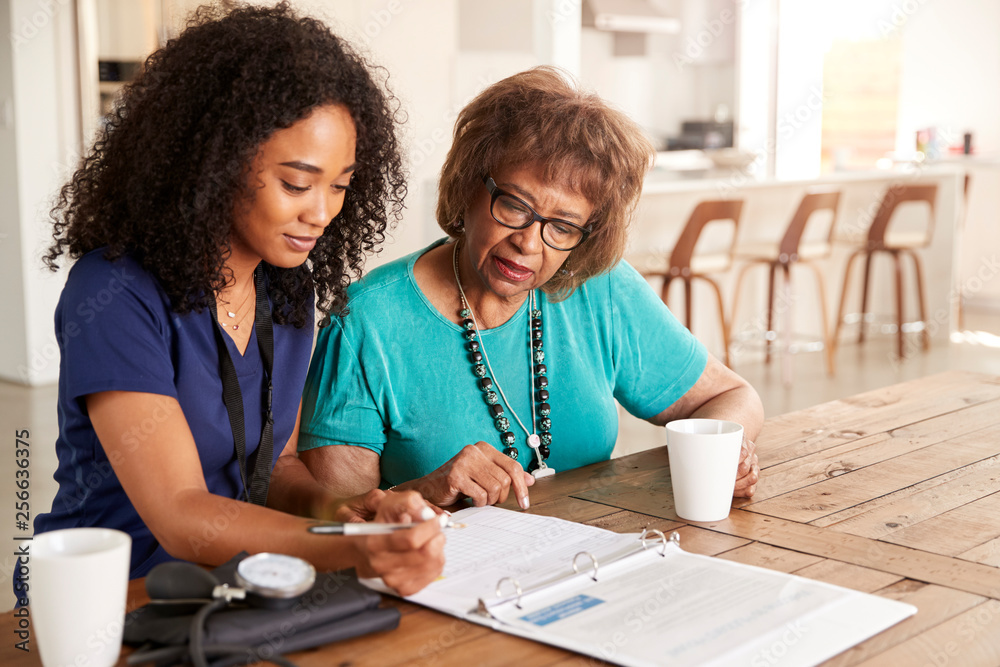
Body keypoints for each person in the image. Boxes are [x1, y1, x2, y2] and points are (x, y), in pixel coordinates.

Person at [32, 3, 442, 596]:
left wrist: (347, 512)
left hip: (235, 589)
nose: (322, 212)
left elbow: (270, 468)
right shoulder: (115, 295)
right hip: (113, 600)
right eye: (296, 184)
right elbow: (179, 513)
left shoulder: (290, 291)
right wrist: (351, 551)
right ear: (213, 165)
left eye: (341, 185)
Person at [298, 67, 764, 511]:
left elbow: (731, 397)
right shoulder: (365, 322)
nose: (528, 242)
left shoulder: (598, 288)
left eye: (562, 227)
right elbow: (337, 522)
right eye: (515, 206)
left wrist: (727, 449)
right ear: (468, 187)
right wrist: (424, 492)